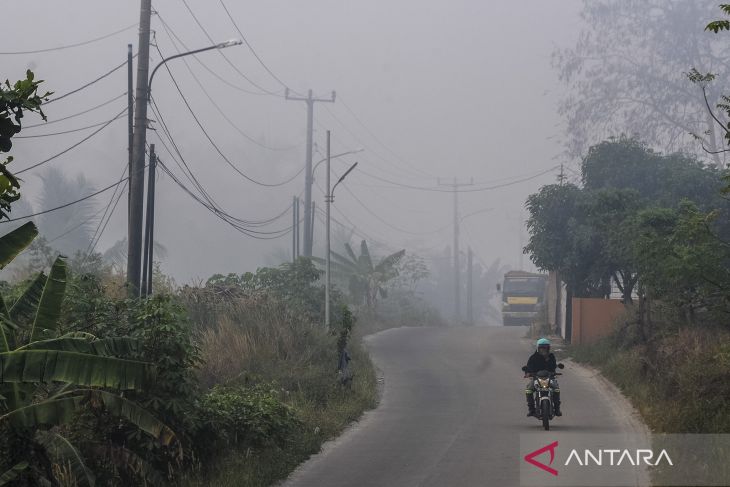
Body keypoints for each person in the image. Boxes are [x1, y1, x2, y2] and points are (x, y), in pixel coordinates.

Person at [524, 338, 561, 417]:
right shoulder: (533, 357)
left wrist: (554, 372)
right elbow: (529, 366)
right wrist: (527, 373)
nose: (543, 350)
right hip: (536, 378)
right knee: (528, 390)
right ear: (538, 348)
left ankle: (557, 409)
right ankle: (531, 409)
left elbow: (553, 366)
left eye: (545, 348)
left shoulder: (551, 356)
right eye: (541, 348)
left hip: (549, 378)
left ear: (548, 348)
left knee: (556, 388)